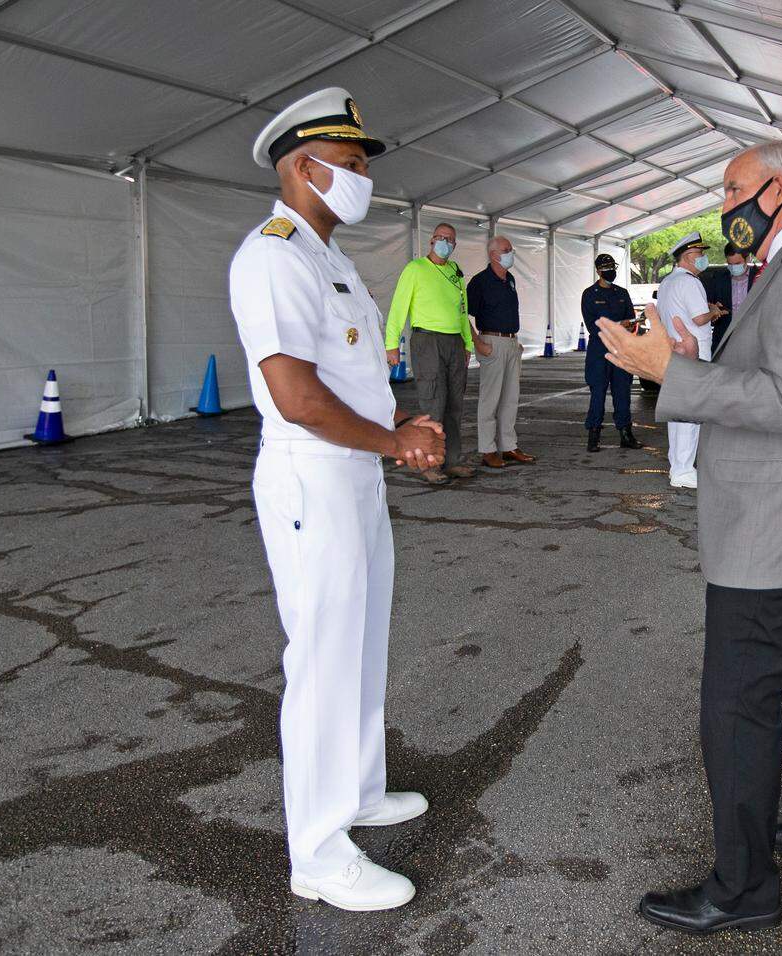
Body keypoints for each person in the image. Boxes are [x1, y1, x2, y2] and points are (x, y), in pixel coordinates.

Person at [597, 142, 782, 937]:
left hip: (772, 523)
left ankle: (746, 885)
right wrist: (686, 363)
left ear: (774, 191)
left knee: (737, 705)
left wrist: (668, 373)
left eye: (730, 190)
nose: (723, 206)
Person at [230, 87, 445, 912]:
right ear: (302, 168)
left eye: (362, 166)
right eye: (351, 166)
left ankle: (357, 791)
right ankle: (318, 854)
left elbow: (352, 375)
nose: (363, 180)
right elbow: (295, 393)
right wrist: (397, 441)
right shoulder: (274, 255)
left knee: (362, 636)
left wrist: (400, 421)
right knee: (320, 657)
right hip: (309, 474)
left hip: (353, 468)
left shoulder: (330, 257)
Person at [385, 222, 475, 483]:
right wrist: (392, 343)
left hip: (454, 342)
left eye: (450, 239)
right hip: (427, 340)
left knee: (454, 404)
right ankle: (430, 463)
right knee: (433, 401)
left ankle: (452, 460)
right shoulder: (415, 269)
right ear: (432, 241)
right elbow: (398, 308)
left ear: (454, 245)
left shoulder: (455, 273)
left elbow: (462, 309)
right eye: (441, 238)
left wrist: (467, 344)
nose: (445, 242)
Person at [655, 232, 728, 488]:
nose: (703, 259)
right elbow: (699, 318)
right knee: (690, 416)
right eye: (700, 255)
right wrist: (715, 310)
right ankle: (684, 471)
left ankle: (678, 465)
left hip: (675, 354)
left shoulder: (668, 282)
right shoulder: (689, 282)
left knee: (679, 415)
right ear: (687, 257)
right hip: (693, 355)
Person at [467, 235, 535, 468]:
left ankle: (508, 446)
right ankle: (488, 449)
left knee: (510, 398)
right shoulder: (479, 282)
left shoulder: (510, 279)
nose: (511, 253)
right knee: (490, 399)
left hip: (510, 343)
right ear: (493, 254)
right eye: (507, 250)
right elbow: (463, 315)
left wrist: (516, 342)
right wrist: (477, 342)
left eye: (511, 249)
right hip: (491, 342)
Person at [580, 253, 642, 453]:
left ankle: (626, 434)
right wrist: (618, 325)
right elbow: (593, 327)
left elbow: (631, 320)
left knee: (622, 392)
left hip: (621, 349)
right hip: (600, 351)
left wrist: (631, 326)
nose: (610, 271)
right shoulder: (589, 294)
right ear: (598, 270)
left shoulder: (622, 293)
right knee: (598, 393)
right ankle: (593, 435)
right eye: (605, 268)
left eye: (612, 267)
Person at [702, 242, 757, 350]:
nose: (733, 267)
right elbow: (707, 305)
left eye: (737, 263)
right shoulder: (717, 279)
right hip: (724, 337)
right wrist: (713, 309)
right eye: (730, 264)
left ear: (747, 259)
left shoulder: (759, 277)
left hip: (752, 337)